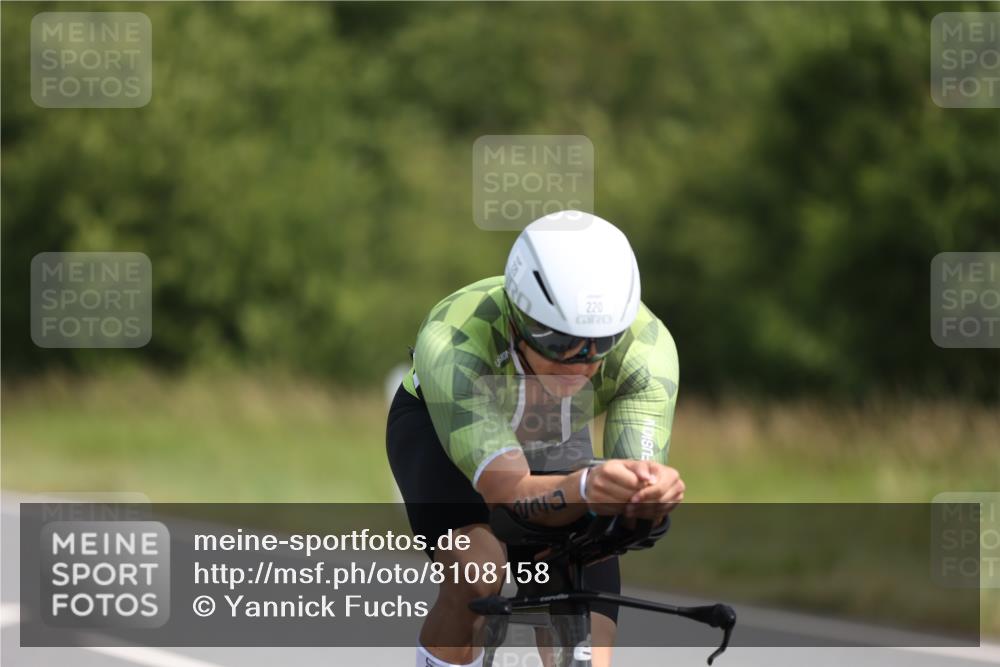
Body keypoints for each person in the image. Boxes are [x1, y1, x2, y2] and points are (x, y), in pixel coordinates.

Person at [386, 210, 684, 667]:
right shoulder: (453, 338)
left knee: (584, 621)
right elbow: (506, 492)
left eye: (600, 345)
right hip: (440, 432)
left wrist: (647, 495)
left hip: (553, 432)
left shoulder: (648, 348)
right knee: (478, 573)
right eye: (557, 341)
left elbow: (629, 502)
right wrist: (586, 487)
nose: (579, 364)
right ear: (519, 318)